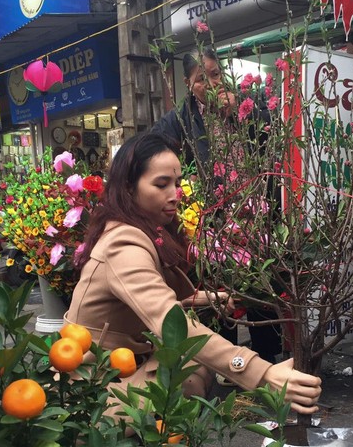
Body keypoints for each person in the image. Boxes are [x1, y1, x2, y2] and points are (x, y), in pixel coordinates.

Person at [65, 132, 322, 415]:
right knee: (188, 370)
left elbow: (146, 297)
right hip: (91, 389)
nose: (174, 194)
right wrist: (261, 373)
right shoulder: (123, 244)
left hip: (118, 365)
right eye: (161, 184)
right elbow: (169, 321)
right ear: (128, 188)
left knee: (192, 366)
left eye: (176, 183)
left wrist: (203, 298)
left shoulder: (138, 229)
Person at [151, 47, 282, 363]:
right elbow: (155, 153)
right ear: (187, 83)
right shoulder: (179, 120)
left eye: (215, 75)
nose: (210, 85)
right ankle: (226, 362)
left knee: (258, 286)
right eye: (200, 79)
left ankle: (268, 357)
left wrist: (244, 113)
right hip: (212, 220)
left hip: (253, 212)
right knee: (219, 293)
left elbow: (272, 134)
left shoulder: (244, 107)